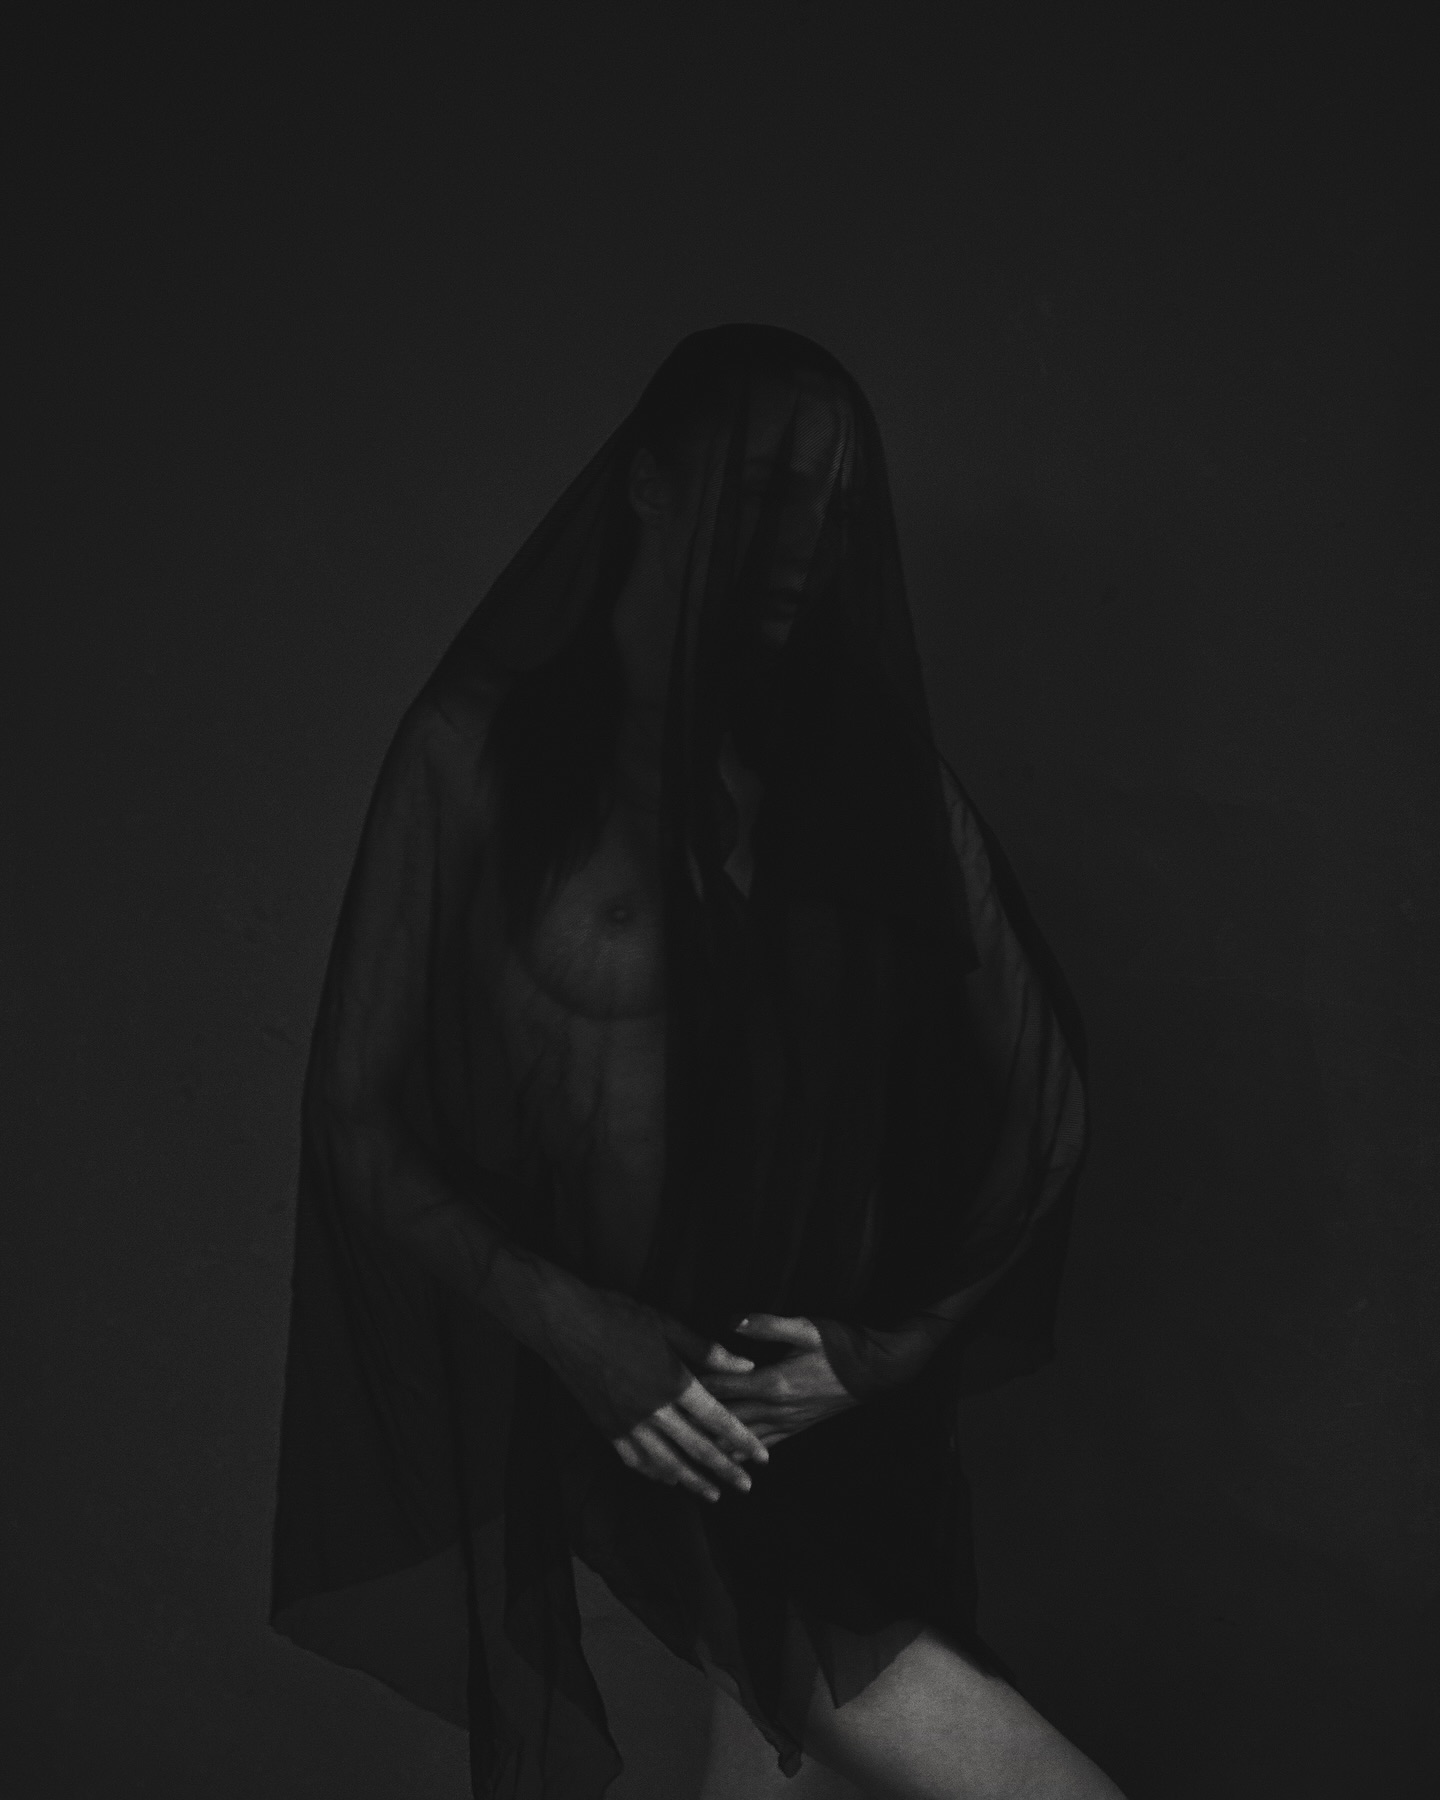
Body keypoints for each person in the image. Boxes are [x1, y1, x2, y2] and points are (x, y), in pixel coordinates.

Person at [269, 325, 1125, 1799]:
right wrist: (573, 1327)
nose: (803, 543)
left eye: (830, 507)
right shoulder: (475, 756)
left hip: (822, 1438)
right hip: (644, 1424)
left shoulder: (863, 775)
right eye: (768, 489)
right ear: (652, 484)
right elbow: (358, 1117)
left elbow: (1045, 1097)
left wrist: (877, 1354)